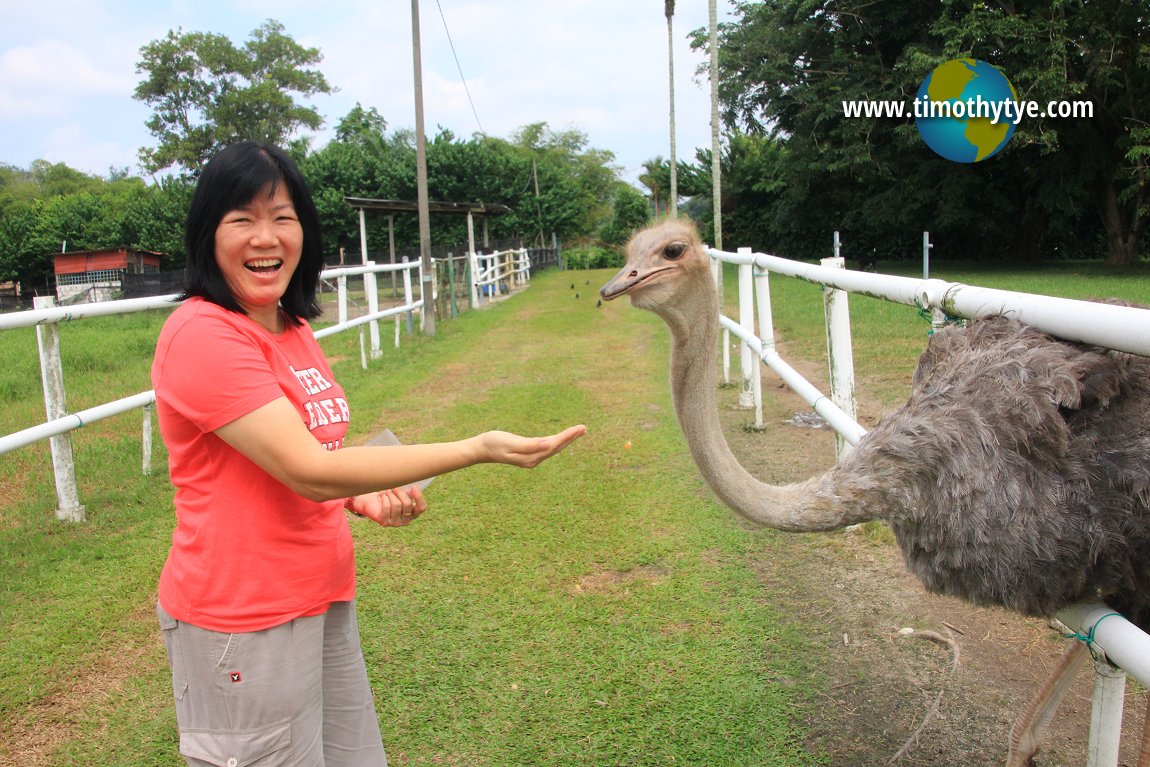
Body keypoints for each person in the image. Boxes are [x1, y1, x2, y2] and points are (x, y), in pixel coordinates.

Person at [150, 140, 586, 767]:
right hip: (243, 620)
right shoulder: (202, 334)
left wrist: (357, 495)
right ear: (207, 234)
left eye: (282, 216)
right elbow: (308, 470)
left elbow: (303, 454)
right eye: (241, 219)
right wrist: (475, 448)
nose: (264, 236)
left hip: (319, 591)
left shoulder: (290, 328)